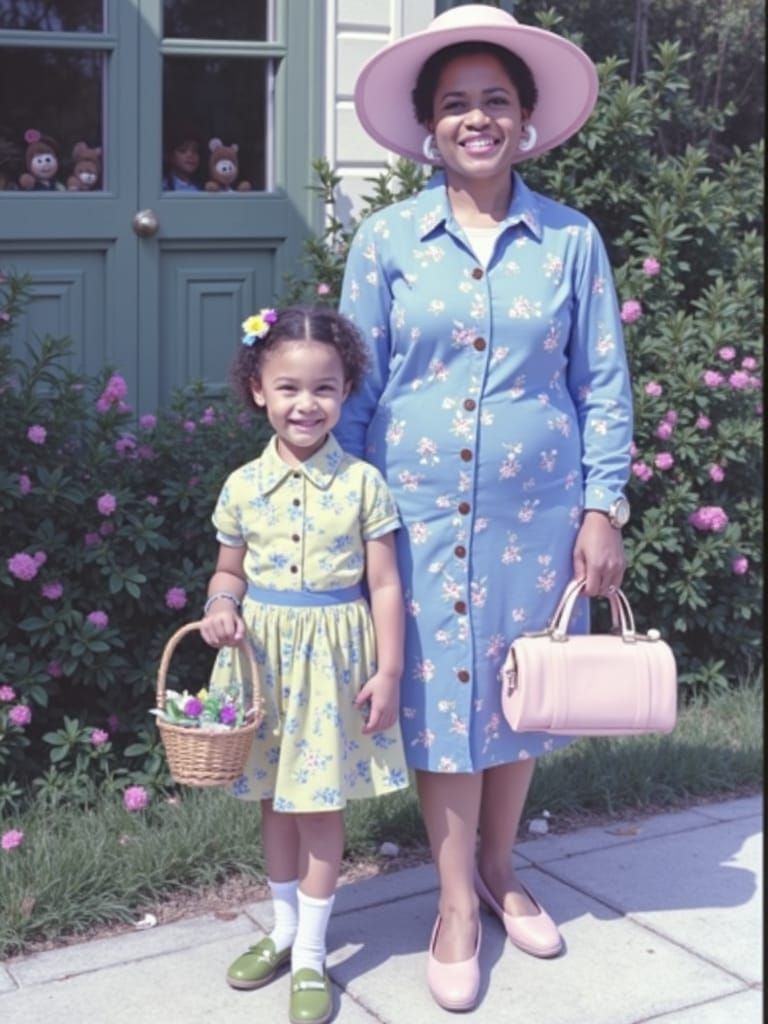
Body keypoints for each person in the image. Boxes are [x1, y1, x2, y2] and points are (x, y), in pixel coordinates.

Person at [336, 5, 633, 1012]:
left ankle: (503, 870)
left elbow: (603, 382)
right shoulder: (384, 243)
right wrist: (343, 512)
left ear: (526, 119)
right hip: (412, 520)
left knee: (522, 692)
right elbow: (356, 387)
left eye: (494, 101)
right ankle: (456, 904)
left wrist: (603, 509)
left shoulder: (572, 240)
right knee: (444, 707)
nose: (476, 119)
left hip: (539, 516)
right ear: (429, 125)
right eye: (455, 103)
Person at [200, 306, 408, 1024]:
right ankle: (283, 930)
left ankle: (314, 953)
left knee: (318, 806)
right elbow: (228, 572)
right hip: (262, 662)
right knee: (272, 798)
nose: (305, 403)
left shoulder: (362, 485)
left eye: (324, 388)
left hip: (332, 664)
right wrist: (222, 607)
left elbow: (384, 584)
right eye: (288, 388)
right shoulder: (241, 486)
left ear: (346, 391)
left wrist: (387, 671)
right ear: (259, 389)